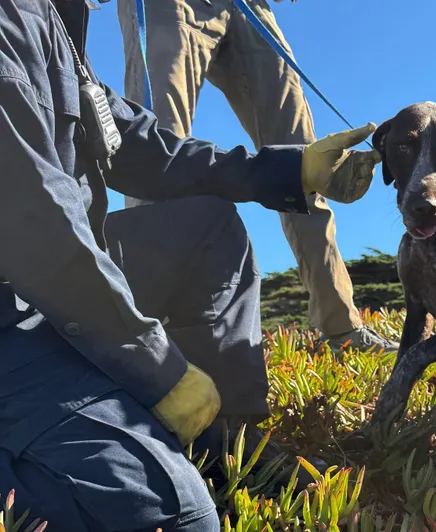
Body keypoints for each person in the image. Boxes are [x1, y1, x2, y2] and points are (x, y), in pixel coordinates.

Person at [0, 0, 381, 529]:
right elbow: (32, 221)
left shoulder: (55, 21)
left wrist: (290, 172)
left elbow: (140, 145)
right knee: (174, 517)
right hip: (13, 320)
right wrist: (156, 370)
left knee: (205, 227)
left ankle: (228, 449)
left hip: (44, 284)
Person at [114, 0, 400, 354]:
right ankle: (150, 340)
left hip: (250, 7)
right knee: (155, 147)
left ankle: (343, 329)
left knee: (307, 165)